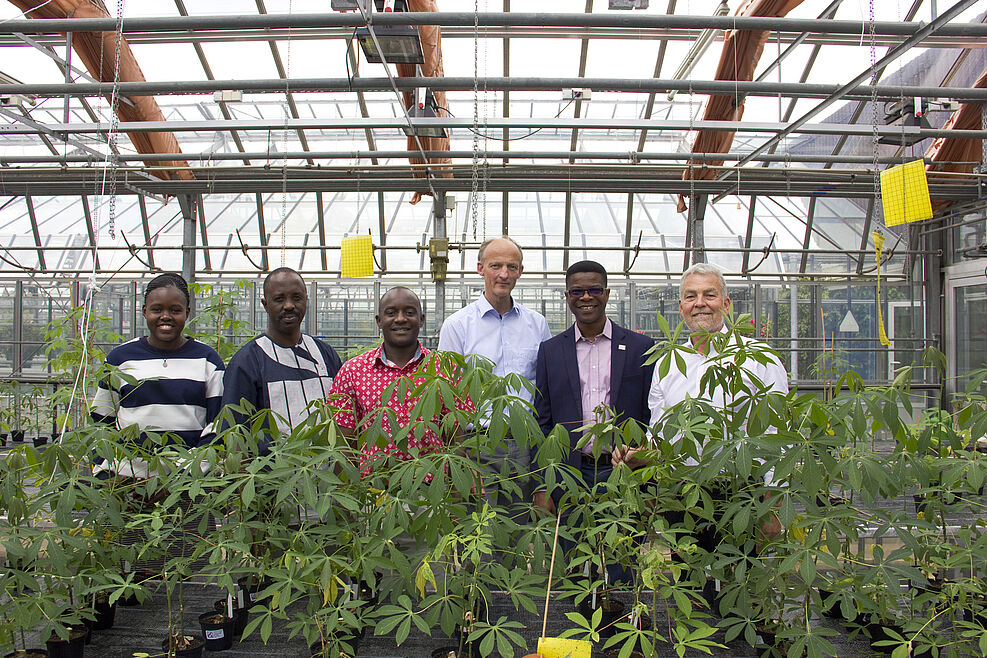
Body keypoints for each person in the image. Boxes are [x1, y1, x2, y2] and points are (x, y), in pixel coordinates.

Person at [643, 262, 789, 607]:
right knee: (689, 595)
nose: (700, 303)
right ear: (681, 307)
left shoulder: (758, 358)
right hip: (684, 491)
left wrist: (773, 500)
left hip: (743, 491)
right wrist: (642, 461)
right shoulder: (669, 362)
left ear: (726, 304)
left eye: (710, 294)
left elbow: (777, 434)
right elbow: (660, 431)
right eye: (691, 296)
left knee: (739, 594)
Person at [532, 260, 656, 515]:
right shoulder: (550, 351)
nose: (586, 297)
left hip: (625, 472)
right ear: (567, 297)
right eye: (577, 291)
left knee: (623, 553)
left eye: (595, 290)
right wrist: (542, 486)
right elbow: (541, 423)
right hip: (569, 475)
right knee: (570, 553)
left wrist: (649, 477)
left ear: (607, 294)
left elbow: (651, 415)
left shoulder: (641, 347)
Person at [437, 236, 551, 507]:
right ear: (480, 269)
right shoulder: (457, 326)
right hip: (477, 445)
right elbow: (447, 395)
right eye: (495, 265)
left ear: (520, 272)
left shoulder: (537, 324)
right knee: (481, 537)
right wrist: (462, 461)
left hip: (526, 446)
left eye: (512, 267)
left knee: (522, 534)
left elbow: (546, 392)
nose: (504, 274)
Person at [92, 272, 225, 478]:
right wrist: (108, 471)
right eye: (157, 309)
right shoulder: (120, 358)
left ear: (187, 312)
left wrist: (185, 474)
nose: (166, 316)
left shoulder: (207, 359)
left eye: (175, 310)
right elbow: (101, 421)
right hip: (127, 478)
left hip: (188, 479)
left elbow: (216, 425)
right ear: (145, 311)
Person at [329, 286, 472, 475]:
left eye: (409, 312)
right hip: (372, 490)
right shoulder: (353, 371)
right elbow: (345, 441)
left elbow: (456, 434)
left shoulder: (444, 369)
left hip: (431, 488)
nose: (400, 319)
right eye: (391, 313)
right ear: (379, 321)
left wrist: (456, 490)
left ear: (421, 319)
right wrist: (345, 497)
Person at [222, 267, 342, 453]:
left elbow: (344, 416)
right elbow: (235, 434)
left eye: (296, 298)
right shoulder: (247, 361)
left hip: (328, 475)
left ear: (306, 300)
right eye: (279, 299)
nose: (288, 305)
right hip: (272, 477)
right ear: (265, 304)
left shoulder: (325, 354)